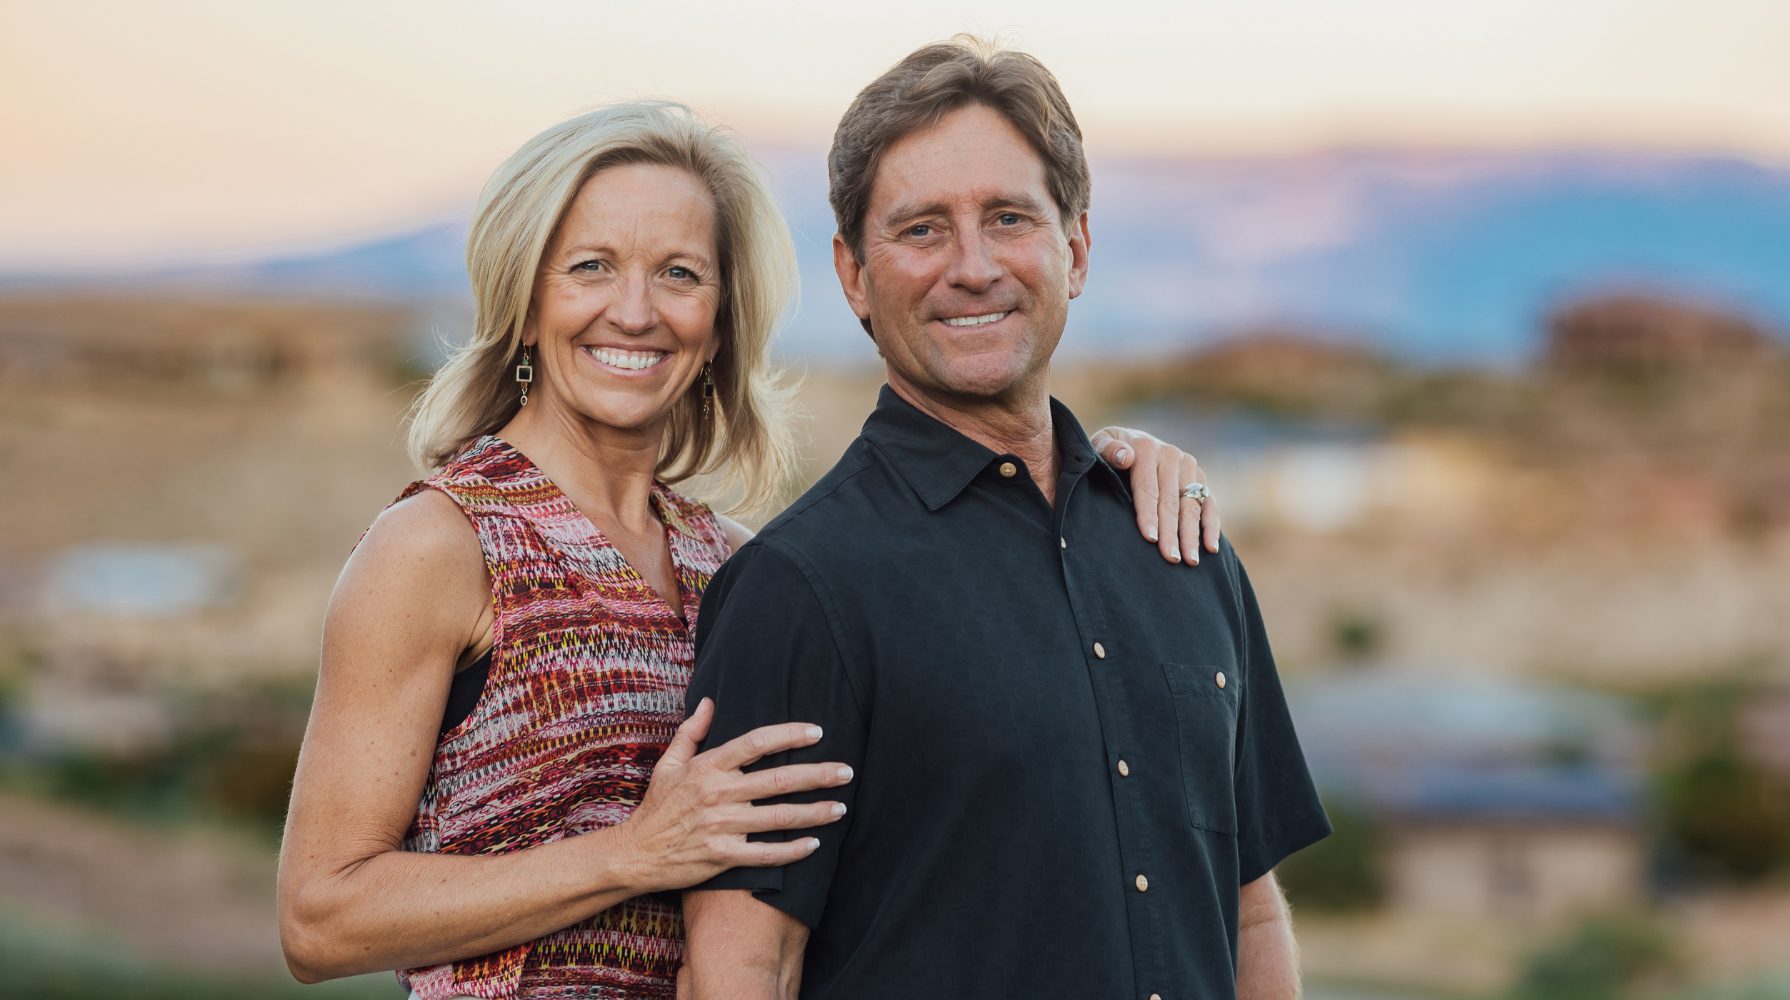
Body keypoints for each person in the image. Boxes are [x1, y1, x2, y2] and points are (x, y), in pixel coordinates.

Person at [276, 100, 1227, 999]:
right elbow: (320, 916)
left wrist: (1097, 481)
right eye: (591, 267)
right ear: (525, 303)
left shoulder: (735, 563)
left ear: (723, 318)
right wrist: (632, 854)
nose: (637, 312)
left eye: (680, 274)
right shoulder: (443, 545)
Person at [681, 39, 1331, 1000]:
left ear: (1073, 249)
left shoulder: (1183, 545)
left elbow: (1249, 911)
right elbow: (743, 966)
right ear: (855, 275)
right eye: (921, 230)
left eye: (1008, 218)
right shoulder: (801, 590)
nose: (973, 267)